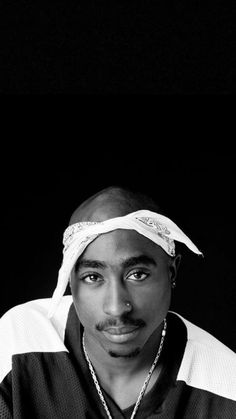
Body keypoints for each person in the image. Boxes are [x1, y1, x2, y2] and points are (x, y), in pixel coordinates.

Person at [0, 186, 235, 419]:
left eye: (137, 274)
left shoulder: (225, 384)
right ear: (70, 281)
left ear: (172, 273)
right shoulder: (19, 341)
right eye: (93, 277)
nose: (116, 307)